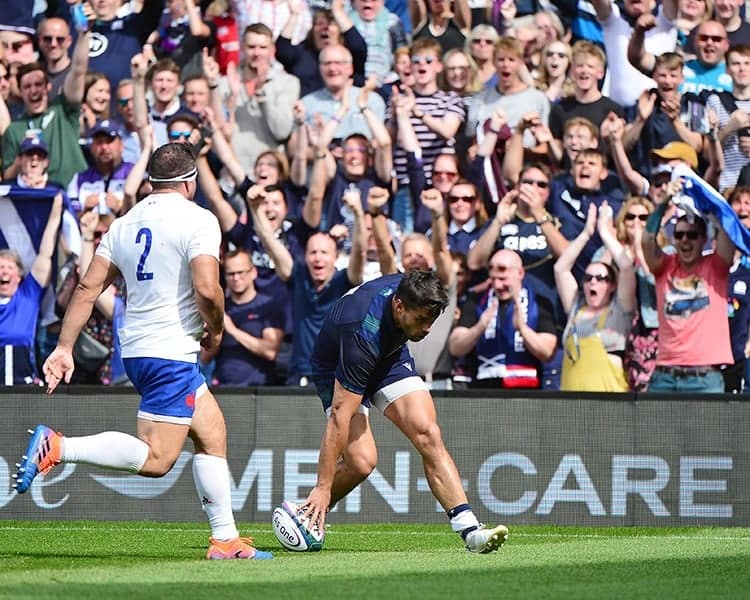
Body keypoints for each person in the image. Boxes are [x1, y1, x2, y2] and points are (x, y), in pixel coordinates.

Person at [12, 143, 272, 561]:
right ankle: (59, 447)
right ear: (190, 183)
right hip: (169, 351)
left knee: (212, 432)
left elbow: (86, 287)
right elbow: (208, 288)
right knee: (156, 460)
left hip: (138, 348)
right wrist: (218, 330)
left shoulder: (124, 224)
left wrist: (64, 347)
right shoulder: (199, 219)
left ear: (151, 181)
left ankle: (225, 540)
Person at [300, 269, 508, 554]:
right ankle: (309, 511)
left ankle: (470, 530)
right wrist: (324, 485)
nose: (427, 329)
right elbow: (340, 418)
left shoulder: (411, 287)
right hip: (340, 362)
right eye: (422, 320)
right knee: (361, 462)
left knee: (428, 432)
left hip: (389, 354)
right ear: (399, 306)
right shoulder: (362, 332)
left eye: (432, 320)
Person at [642, 178, 736, 393]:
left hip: (704, 379)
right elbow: (647, 239)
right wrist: (664, 202)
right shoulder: (664, 266)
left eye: (692, 235)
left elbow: (728, 236)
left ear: (704, 239)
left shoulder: (716, 266)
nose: (685, 240)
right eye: (679, 234)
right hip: (665, 376)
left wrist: (711, 207)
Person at [555, 203, 637, 391]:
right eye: (588, 278)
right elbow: (561, 268)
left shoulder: (619, 310)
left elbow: (626, 267)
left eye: (601, 279)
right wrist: (586, 233)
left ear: (612, 285)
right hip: (572, 402)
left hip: (609, 404)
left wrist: (605, 233)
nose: (593, 283)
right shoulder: (576, 307)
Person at [449, 248, 558, 388]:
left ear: (520, 273)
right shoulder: (477, 302)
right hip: (484, 389)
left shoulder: (539, 302)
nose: (497, 285)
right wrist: (480, 326)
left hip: (526, 391)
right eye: (493, 279)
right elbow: (455, 347)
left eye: (503, 279)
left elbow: (547, 352)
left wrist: (523, 329)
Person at [204, 248, 285, 386]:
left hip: (259, 391)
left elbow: (270, 351)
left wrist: (233, 330)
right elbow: (204, 357)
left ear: (253, 272)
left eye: (240, 272)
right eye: (230, 274)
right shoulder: (221, 309)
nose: (236, 278)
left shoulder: (268, 305)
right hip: (223, 388)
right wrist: (216, 329)